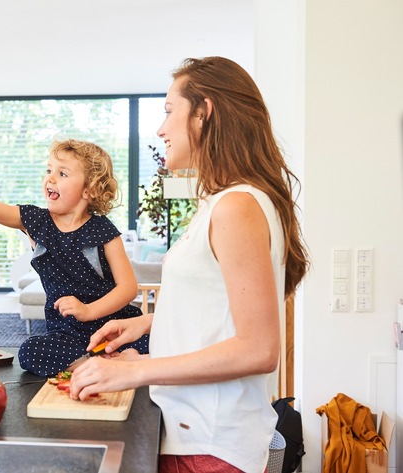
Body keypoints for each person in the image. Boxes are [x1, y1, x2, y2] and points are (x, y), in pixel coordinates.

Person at [68, 57, 310, 473]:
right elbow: (219, 308)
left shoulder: (237, 206)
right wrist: (150, 324)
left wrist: (138, 372)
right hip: (197, 435)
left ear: (203, 112)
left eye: (168, 111)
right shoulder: (226, 201)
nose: (161, 128)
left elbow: (258, 349)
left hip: (212, 447)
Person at [0, 113, 149, 377]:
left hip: (113, 326)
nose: (50, 178)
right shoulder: (37, 221)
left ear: (90, 190)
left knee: (149, 339)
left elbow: (128, 288)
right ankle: (104, 363)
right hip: (69, 335)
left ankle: (113, 359)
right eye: (49, 170)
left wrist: (88, 311)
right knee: (29, 352)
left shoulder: (104, 231)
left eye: (62, 173)